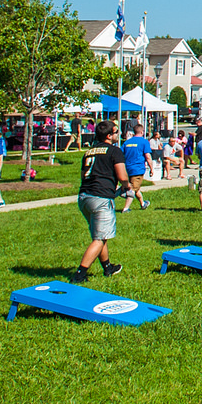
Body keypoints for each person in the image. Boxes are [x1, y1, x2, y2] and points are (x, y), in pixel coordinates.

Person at [71, 121, 130, 283]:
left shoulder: (89, 151)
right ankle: (80, 274)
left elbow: (84, 175)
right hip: (101, 197)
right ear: (109, 136)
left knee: (100, 235)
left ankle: (108, 267)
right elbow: (122, 176)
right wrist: (126, 185)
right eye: (116, 132)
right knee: (99, 238)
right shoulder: (114, 151)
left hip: (84, 196)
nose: (118, 134)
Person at [118, 121, 154, 212]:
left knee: (136, 187)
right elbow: (148, 156)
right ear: (142, 132)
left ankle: (143, 204)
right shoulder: (144, 142)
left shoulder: (127, 142)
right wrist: (151, 168)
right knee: (133, 189)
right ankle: (125, 208)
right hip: (138, 169)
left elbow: (120, 154)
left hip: (128, 168)